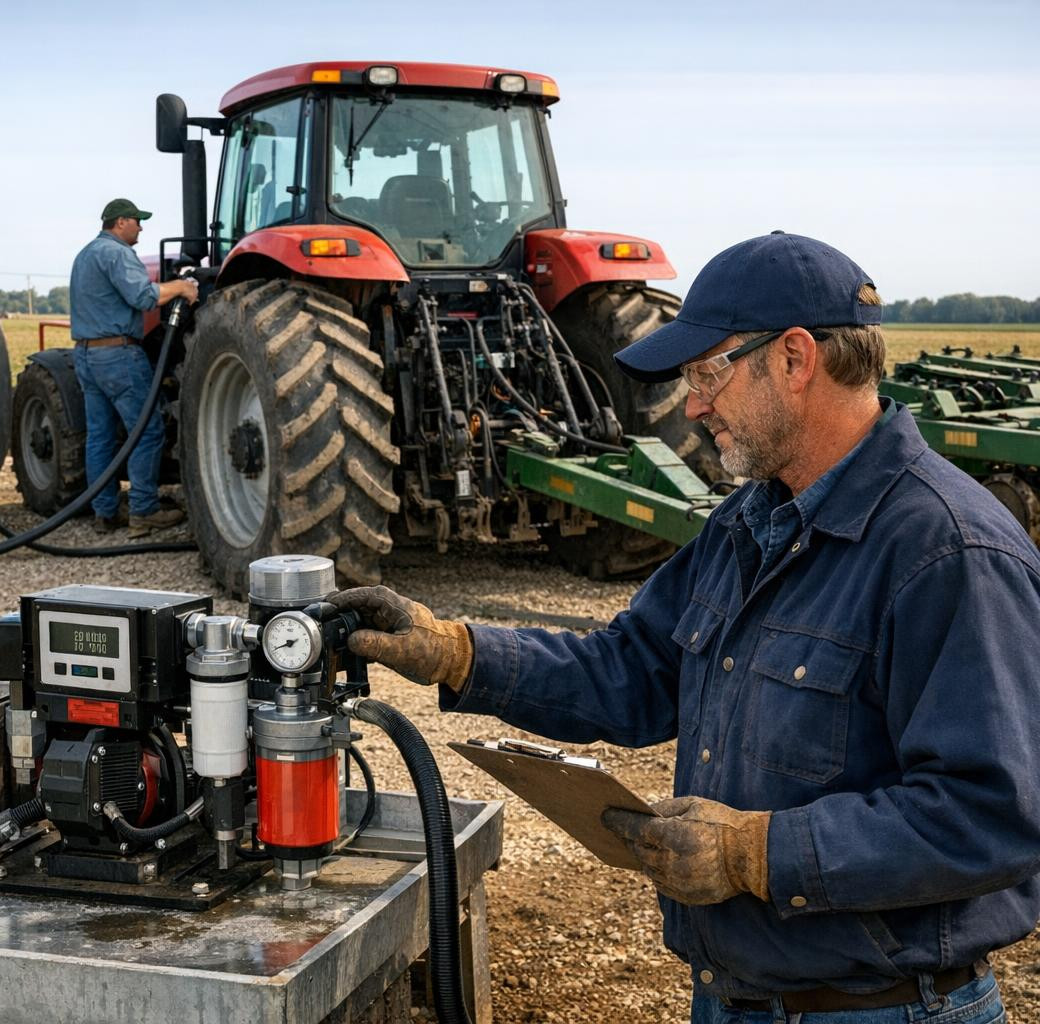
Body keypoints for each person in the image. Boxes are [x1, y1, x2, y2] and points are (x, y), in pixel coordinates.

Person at [332, 233, 1040, 1023]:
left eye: (707, 374)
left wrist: (754, 854)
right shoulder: (748, 524)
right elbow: (632, 671)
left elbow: (990, 816)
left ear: (795, 358)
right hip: (735, 1000)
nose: (694, 406)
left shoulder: (946, 551)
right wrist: (458, 653)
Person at [68, 198, 199, 536]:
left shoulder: (85, 255)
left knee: (100, 436)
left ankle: (105, 512)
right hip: (118, 356)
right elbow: (143, 298)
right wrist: (182, 287)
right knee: (147, 430)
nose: (141, 227)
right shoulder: (118, 254)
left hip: (86, 355)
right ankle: (143, 511)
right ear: (121, 222)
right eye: (137, 221)